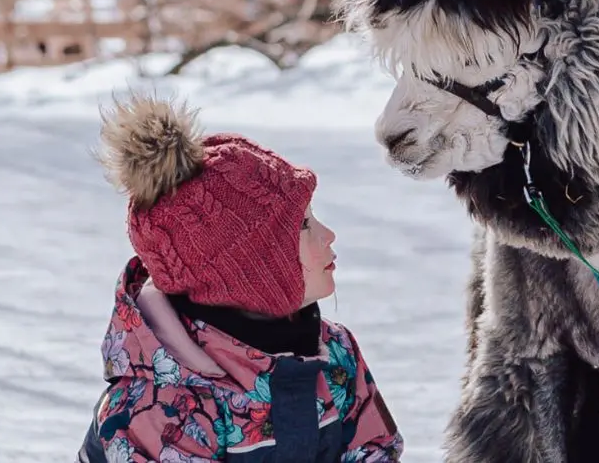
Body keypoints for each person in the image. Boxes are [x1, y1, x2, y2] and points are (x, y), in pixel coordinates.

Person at [75, 93, 403, 462]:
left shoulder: (335, 356)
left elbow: (376, 449)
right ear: (249, 272)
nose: (328, 235)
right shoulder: (159, 410)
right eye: (303, 226)